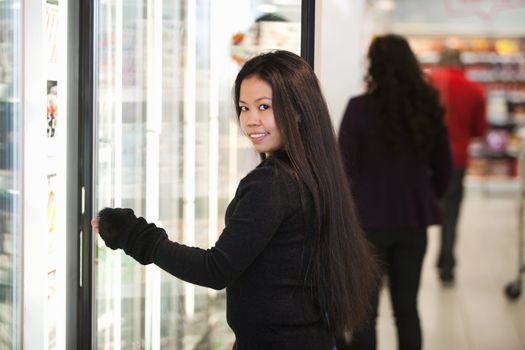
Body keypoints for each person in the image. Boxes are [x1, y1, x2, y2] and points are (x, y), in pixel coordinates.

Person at [91, 50, 379, 350]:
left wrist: (135, 235)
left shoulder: (272, 183)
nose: (251, 120)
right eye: (244, 108)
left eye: (264, 107)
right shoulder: (313, 170)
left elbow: (216, 269)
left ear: (297, 110)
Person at [337, 34, 452, 350]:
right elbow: (445, 169)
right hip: (413, 222)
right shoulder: (427, 108)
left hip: (367, 223)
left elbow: (342, 168)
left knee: (365, 314)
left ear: (373, 66)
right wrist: (424, 196)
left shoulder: (359, 109)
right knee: (407, 311)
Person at [428, 48, 487, 286]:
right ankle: (447, 267)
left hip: (425, 159)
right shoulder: (474, 89)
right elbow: (478, 131)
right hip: (457, 160)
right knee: (450, 215)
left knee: (413, 212)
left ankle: (396, 268)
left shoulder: (427, 83)